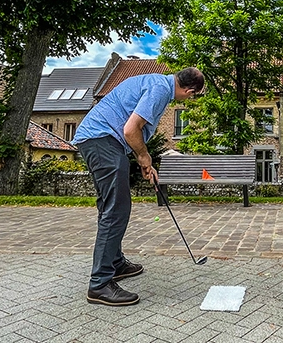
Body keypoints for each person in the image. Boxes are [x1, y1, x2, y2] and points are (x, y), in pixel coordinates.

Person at [71, 67, 204, 306]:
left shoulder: (157, 83)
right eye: (191, 96)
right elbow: (131, 130)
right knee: (117, 209)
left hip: (100, 141)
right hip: (101, 140)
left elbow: (132, 131)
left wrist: (142, 158)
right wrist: (144, 156)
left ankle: (115, 263)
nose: (188, 98)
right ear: (189, 90)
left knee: (110, 206)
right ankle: (100, 284)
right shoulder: (160, 90)